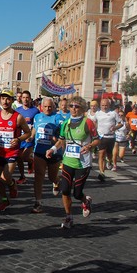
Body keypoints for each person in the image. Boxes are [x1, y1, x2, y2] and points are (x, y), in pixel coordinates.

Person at [46, 96, 99, 229]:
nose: (73, 109)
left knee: (77, 193)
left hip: (83, 163)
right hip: (68, 161)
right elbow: (61, 140)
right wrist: (52, 149)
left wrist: (89, 146)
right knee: (64, 190)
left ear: (82, 108)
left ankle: (85, 201)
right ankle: (69, 216)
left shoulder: (88, 122)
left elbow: (97, 139)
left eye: (77, 106)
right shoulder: (66, 123)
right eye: (71, 106)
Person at [0, 90, 31, 211]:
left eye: (8, 99)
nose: (5, 101)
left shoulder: (18, 117)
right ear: (0, 100)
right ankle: (4, 199)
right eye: (3, 99)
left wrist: (18, 139)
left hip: (11, 153)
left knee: (5, 177)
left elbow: (28, 133)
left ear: (12, 100)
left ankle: (12, 184)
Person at [30, 97, 65, 213]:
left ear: (54, 107)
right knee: (38, 176)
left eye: (50, 106)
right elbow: (35, 129)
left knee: (51, 177)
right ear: (41, 107)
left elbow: (61, 138)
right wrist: (30, 137)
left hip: (54, 152)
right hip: (39, 151)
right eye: (45, 106)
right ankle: (38, 202)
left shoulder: (58, 118)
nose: (47, 109)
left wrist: (54, 139)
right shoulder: (37, 117)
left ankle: (57, 181)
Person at [95, 99, 123, 180]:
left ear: (109, 105)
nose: (104, 107)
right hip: (101, 136)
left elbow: (121, 123)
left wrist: (115, 127)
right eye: (103, 105)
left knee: (109, 154)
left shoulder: (113, 113)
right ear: (100, 105)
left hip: (111, 137)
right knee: (101, 154)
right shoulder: (97, 113)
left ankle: (110, 161)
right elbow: (94, 123)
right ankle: (101, 172)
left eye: (106, 105)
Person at [15, 91, 40, 184]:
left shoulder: (35, 110)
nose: (25, 99)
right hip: (20, 137)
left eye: (27, 97)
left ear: (30, 99)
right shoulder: (17, 110)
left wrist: (32, 136)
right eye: (23, 97)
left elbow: (37, 124)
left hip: (30, 137)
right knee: (18, 158)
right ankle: (22, 176)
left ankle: (30, 161)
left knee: (24, 156)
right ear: (21, 99)